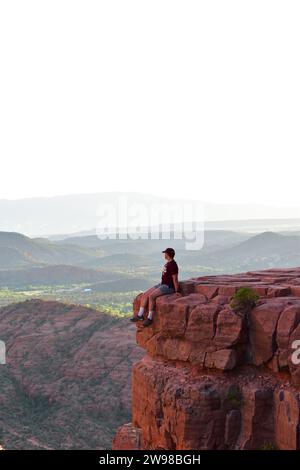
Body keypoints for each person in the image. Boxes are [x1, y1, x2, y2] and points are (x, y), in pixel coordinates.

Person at [129, 247, 179, 327]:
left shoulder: (173, 265)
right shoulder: (168, 263)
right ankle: (140, 315)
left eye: (165, 253)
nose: (164, 255)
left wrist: (177, 291)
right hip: (162, 284)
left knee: (152, 296)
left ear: (168, 255)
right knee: (145, 295)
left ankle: (150, 318)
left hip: (168, 286)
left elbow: (175, 278)